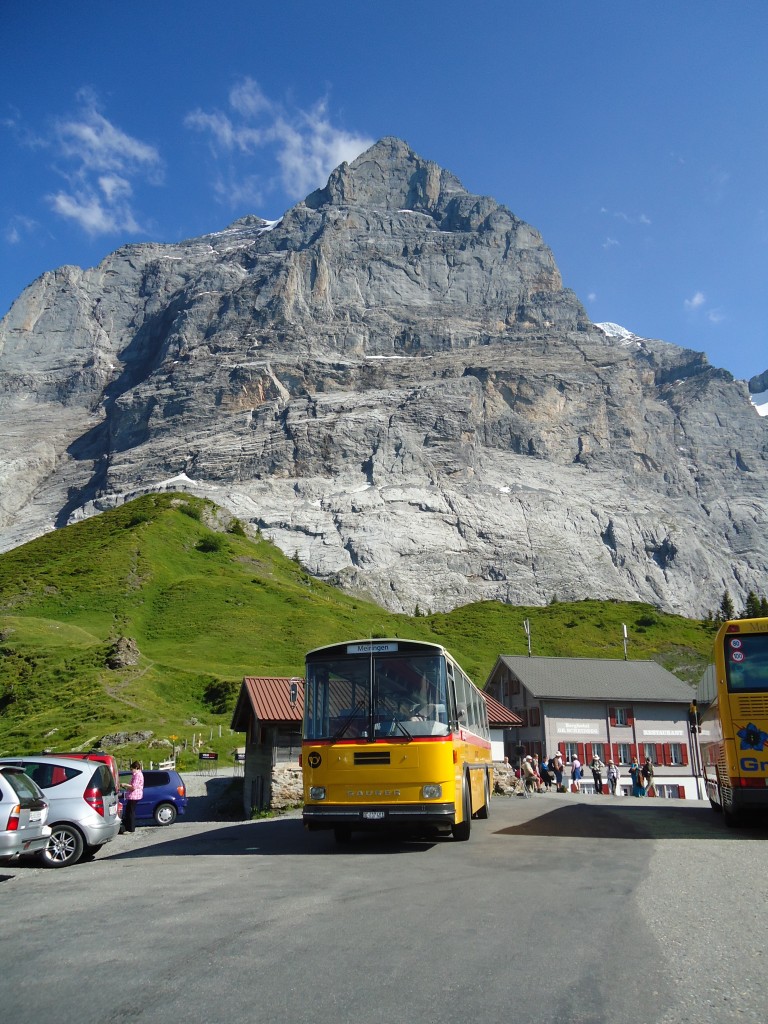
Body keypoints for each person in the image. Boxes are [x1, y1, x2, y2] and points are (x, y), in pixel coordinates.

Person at [122, 760, 144, 832]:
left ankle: (131, 828)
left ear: (136, 768)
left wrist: (125, 785)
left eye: (132, 769)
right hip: (134, 795)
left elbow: (133, 787)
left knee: (130, 811)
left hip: (134, 795)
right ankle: (129, 827)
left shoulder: (137, 775)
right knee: (129, 810)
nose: (131, 771)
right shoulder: (138, 774)